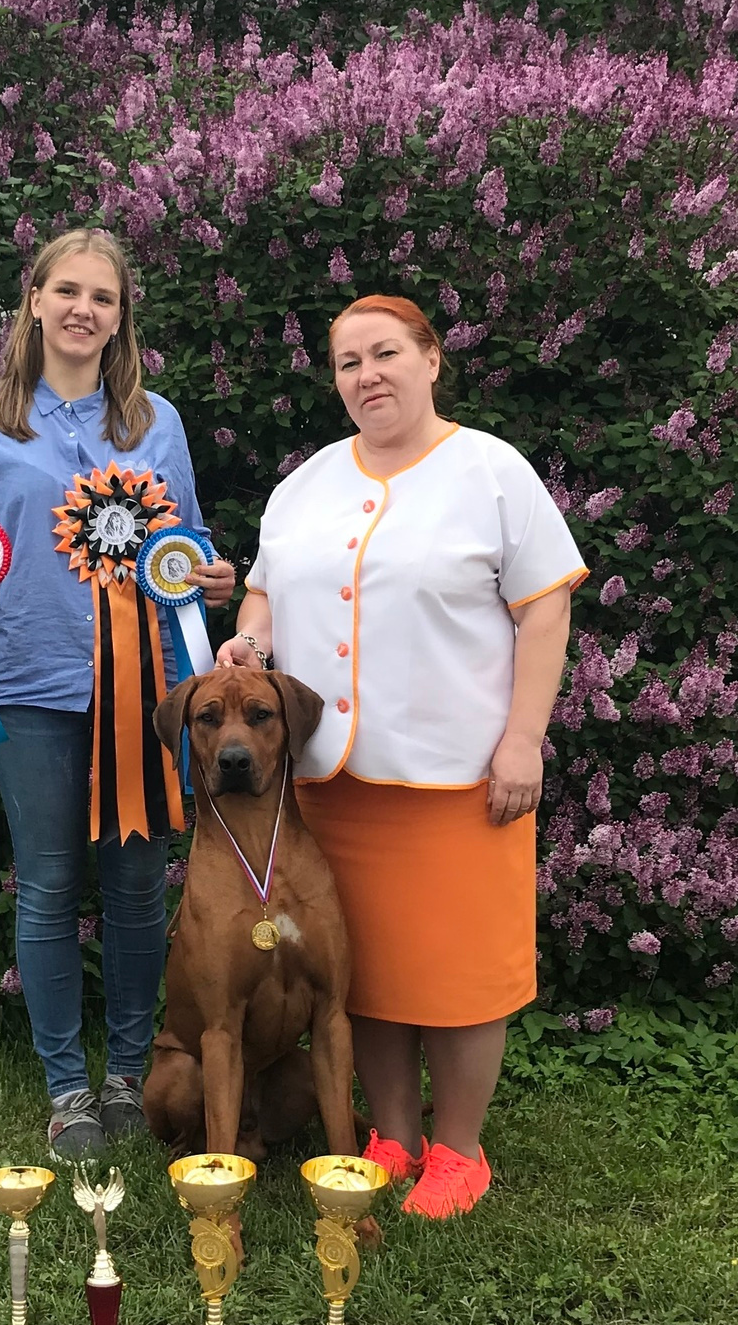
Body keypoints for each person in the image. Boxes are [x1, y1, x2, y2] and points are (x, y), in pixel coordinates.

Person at [216, 294, 583, 1219]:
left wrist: (523, 739)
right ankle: (390, 1134)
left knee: (461, 974)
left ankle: (458, 1149)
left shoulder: (493, 472)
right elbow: (264, 595)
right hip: (333, 779)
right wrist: (248, 643)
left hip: (461, 776)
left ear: (430, 359)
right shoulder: (303, 487)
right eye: (348, 363)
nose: (368, 375)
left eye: (385, 354)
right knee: (367, 972)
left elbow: (544, 607)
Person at [0, 229, 235, 1158]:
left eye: (106, 298)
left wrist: (208, 577)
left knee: (134, 883)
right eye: (70, 291)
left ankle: (129, 1070)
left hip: (145, 688)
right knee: (46, 885)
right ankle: (67, 1088)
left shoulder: (156, 421)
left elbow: (190, 543)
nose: (86, 310)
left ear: (123, 318)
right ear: (35, 300)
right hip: (30, 684)